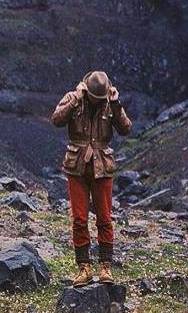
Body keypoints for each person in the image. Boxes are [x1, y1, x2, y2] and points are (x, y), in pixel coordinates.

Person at [51, 71, 131, 286]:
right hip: (77, 168)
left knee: (104, 218)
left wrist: (116, 104)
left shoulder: (110, 103)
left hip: (102, 168)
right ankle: (84, 268)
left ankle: (105, 267)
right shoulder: (73, 98)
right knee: (79, 219)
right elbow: (56, 119)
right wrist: (76, 99)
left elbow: (125, 129)